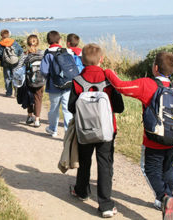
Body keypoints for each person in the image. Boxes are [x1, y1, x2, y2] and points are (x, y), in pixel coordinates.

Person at [103, 51, 173, 220]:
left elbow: (121, 86)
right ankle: (165, 199)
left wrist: (108, 72)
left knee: (150, 169)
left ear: (156, 68)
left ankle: (165, 197)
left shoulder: (147, 84)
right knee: (167, 168)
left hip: (154, 140)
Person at [68, 43, 124, 218]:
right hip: (107, 130)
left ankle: (82, 191)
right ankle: (105, 204)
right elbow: (120, 107)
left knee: (84, 161)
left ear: (82, 60)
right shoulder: (109, 81)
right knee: (105, 164)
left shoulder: (77, 81)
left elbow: (71, 107)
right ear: (101, 59)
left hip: (84, 129)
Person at [40, 30, 77, 137]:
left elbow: (44, 71)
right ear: (60, 40)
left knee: (54, 108)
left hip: (53, 85)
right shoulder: (67, 51)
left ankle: (53, 129)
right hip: (68, 84)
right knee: (67, 109)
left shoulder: (48, 54)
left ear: (48, 41)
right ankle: (67, 132)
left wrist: (49, 78)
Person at [15, 34, 45, 127]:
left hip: (28, 80)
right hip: (40, 80)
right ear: (38, 43)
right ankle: (37, 120)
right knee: (38, 99)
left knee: (29, 97)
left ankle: (29, 116)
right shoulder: (42, 53)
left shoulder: (24, 55)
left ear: (27, 43)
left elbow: (18, 68)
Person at [0, 29, 23, 97]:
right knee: (15, 76)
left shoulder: (1, 44)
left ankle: (9, 93)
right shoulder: (14, 42)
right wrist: (15, 56)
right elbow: (21, 51)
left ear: (1, 36)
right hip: (15, 62)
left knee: (7, 78)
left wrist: (2, 59)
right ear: (9, 35)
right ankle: (17, 92)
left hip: (5, 63)